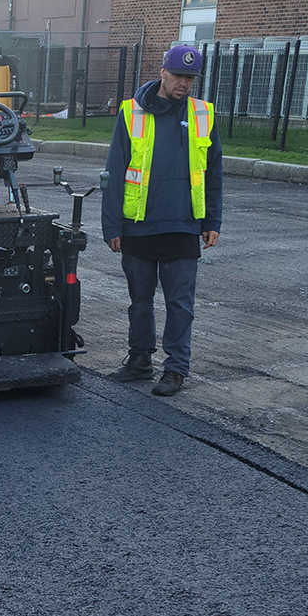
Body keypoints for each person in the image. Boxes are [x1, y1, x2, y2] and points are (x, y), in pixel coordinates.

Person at [101, 40, 222, 398]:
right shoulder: (131, 113)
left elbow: (213, 173)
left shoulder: (202, 114)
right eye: (178, 75)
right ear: (162, 72)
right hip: (138, 225)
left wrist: (212, 221)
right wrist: (112, 225)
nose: (184, 83)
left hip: (183, 225)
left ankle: (175, 369)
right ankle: (140, 359)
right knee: (139, 301)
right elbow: (115, 171)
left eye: (190, 78)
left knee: (180, 305)